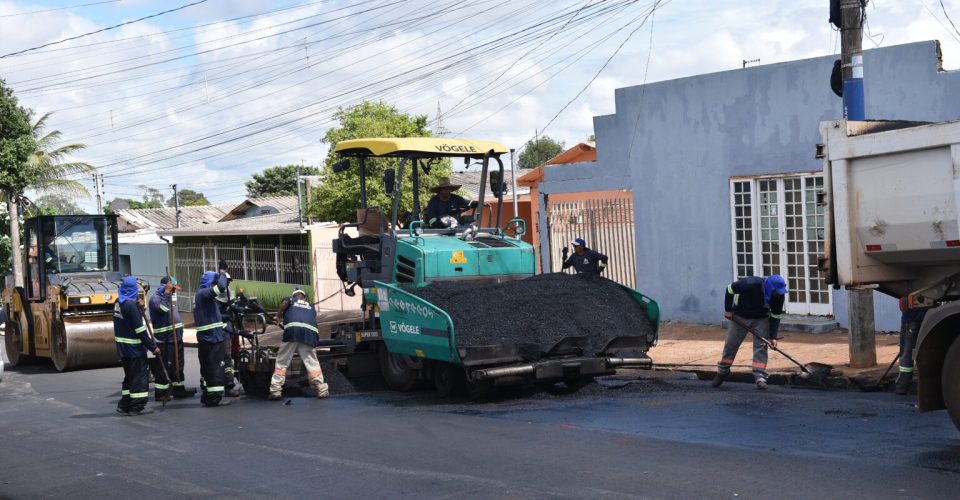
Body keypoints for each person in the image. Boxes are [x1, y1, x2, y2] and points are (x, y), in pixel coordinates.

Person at [713, 274, 787, 390]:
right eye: (776, 292)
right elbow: (729, 289)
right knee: (731, 345)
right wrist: (728, 310)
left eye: (780, 292)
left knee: (761, 346)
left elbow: (775, 316)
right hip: (740, 316)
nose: (778, 294)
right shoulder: (749, 284)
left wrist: (773, 337)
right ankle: (723, 371)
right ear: (769, 288)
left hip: (761, 319)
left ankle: (760, 377)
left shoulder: (779, 296)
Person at [270, 288, 329, 400]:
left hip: (292, 331)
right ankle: (321, 388)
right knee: (312, 362)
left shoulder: (291, 300)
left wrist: (277, 316)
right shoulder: (311, 306)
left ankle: (275, 390)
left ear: (295, 296)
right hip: (309, 334)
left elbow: (286, 302)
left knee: (282, 361)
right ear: (304, 297)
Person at [114, 275, 160, 416]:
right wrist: (153, 347)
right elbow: (140, 330)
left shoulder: (118, 302)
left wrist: (140, 308)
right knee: (139, 376)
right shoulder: (130, 305)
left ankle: (124, 404)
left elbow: (128, 320)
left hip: (123, 347)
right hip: (134, 348)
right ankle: (137, 406)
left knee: (129, 376)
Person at [148, 275, 196, 401]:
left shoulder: (169, 297)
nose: (174, 291)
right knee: (165, 367)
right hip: (165, 340)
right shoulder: (156, 299)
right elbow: (163, 309)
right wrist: (167, 293)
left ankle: (178, 389)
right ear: (166, 287)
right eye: (173, 288)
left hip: (176, 338)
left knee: (178, 365)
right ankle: (161, 392)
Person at [194, 270, 233, 407]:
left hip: (209, 337)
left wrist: (227, 317)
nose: (216, 284)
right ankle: (215, 397)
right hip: (212, 338)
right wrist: (223, 273)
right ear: (210, 282)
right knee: (216, 368)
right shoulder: (204, 293)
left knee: (208, 369)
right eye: (214, 282)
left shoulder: (204, 297)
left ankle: (208, 396)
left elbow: (214, 317)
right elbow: (222, 287)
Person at [214, 260, 241, 398]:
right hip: (220, 331)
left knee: (228, 357)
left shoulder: (229, 293)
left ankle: (226, 383)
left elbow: (233, 308)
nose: (228, 283)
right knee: (224, 358)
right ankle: (227, 385)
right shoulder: (215, 297)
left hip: (227, 329)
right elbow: (219, 317)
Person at [895, 297, 927, 395]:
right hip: (925, 315)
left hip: (911, 317)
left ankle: (902, 385)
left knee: (906, 353)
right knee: (924, 351)